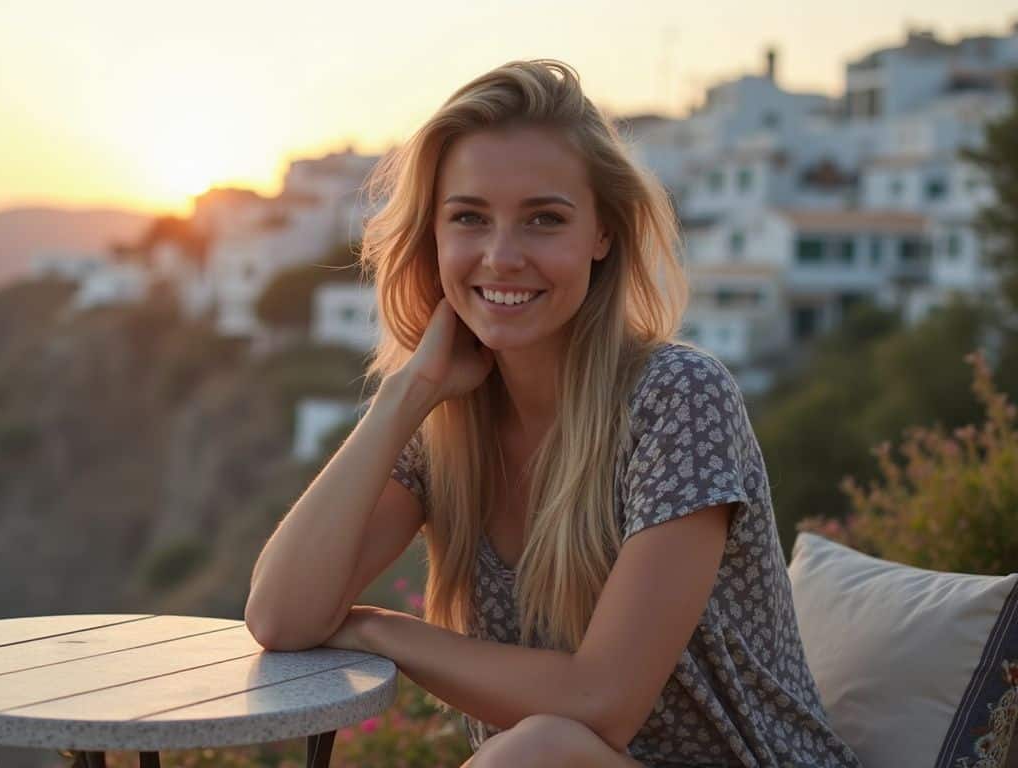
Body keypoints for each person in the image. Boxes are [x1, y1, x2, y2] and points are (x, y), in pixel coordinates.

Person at [244, 59, 862, 768]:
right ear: (433, 237)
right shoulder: (446, 428)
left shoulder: (678, 398)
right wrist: (403, 396)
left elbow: (604, 704)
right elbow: (280, 616)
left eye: (544, 219)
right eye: (469, 218)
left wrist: (384, 632)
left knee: (538, 752)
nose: (502, 257)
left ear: (603, 233)